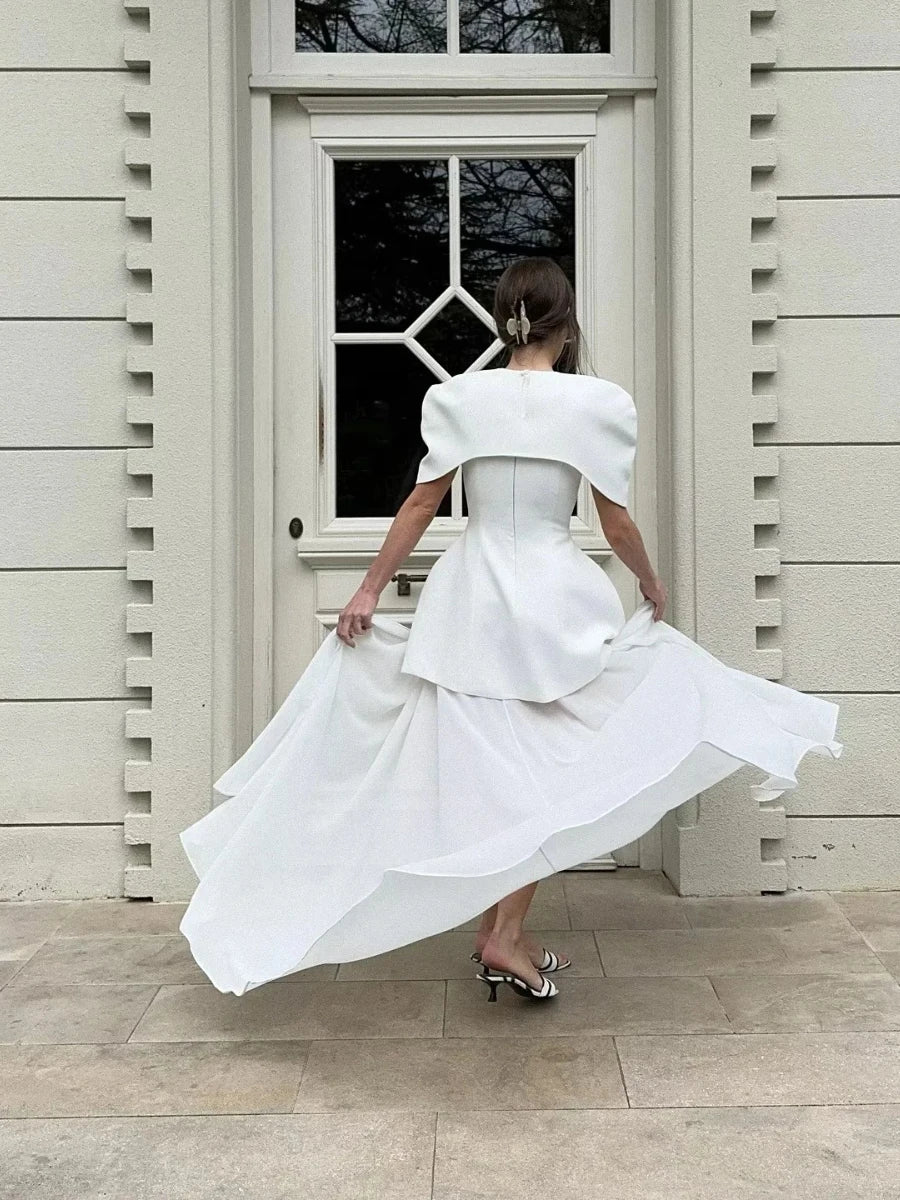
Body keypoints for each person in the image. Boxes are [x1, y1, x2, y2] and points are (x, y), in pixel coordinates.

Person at [178, 257, 843, 1002]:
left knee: (508, 783)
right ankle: (502, 936)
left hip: (473, 605)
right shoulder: (597, 403)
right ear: (565, 324)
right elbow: (615, 521)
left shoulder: (459, 397)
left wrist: (369, 588)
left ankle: (506, 933)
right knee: (547, 780)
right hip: (555, 609)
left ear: (505, 321)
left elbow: (420, 505)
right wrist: (651, 582)